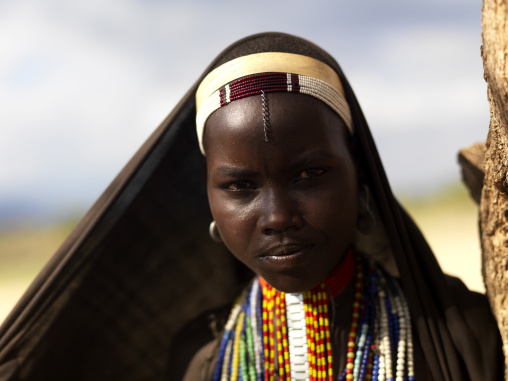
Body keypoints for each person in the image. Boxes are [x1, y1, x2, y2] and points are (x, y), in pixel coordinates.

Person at [0, 33, 502, 381]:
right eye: (240, 186)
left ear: (361, 184)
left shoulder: (464, 336)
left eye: (309, 174)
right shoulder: (201, 359)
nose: (279, 216)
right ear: (211, 208)